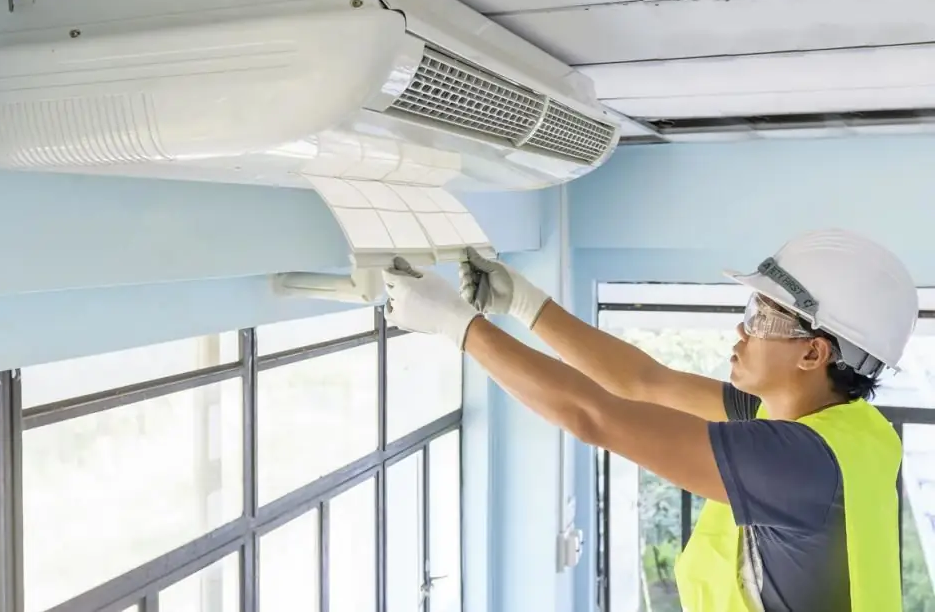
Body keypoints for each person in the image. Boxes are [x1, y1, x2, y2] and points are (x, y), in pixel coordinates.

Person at [382, 229, 917, 612]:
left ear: (813, 353)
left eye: (761, 318)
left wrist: (458, 325)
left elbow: (594, 416)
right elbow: (643, 381)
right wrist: (525, 304)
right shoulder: (846, 429)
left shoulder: (798, 463)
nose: (741, 331)